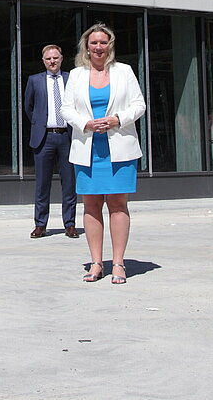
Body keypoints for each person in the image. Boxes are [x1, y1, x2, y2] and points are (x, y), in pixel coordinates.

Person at [60, 24, 146, 284]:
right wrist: (85, 123)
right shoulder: (76, 75)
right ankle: (96, 263)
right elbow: (66, 109)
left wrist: (117, 119)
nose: (98, 47)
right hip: (87, 150)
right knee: (91, 205)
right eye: (94, 43)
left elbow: (139, 105)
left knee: (118, 205)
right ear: (86, 47)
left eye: (103, 42)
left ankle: (118, 263)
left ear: (110, 46)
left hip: (120, 149)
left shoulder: (124, 71)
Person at [24, 44, 78, 238]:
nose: (52, 61)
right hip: (44, 137)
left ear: (61, 59)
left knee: (69, 183)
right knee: (42, 184)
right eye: (48, 59)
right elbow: (28, 106)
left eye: (55, 58)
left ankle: (70, 224)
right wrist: (40, 123)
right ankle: (40, 224)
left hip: (67, 137)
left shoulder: (71, 79)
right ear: (43, 61)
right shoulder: (34, 80)